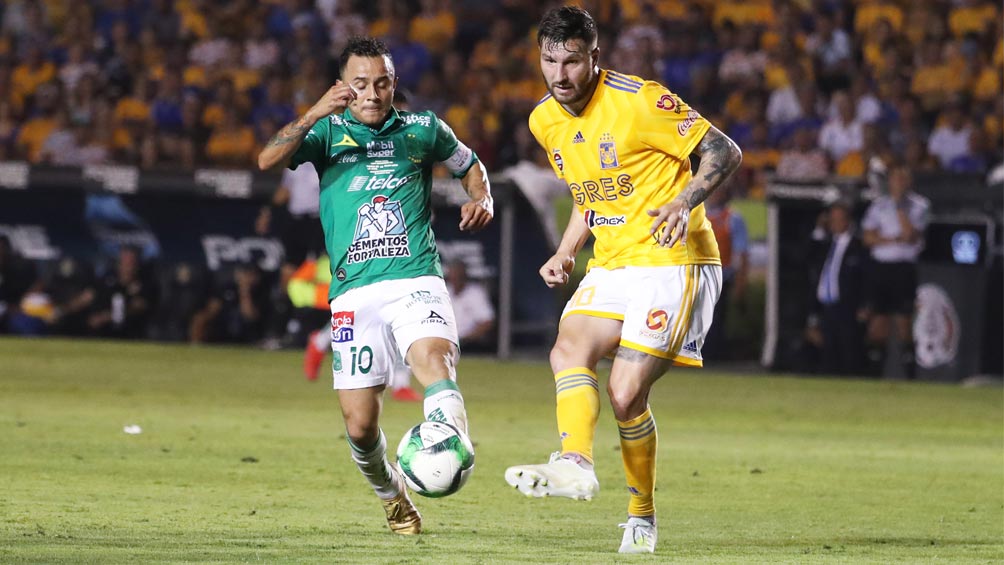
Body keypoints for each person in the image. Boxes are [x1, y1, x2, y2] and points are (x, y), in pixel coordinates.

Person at [503, 7, 741, 554]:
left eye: (572, 61)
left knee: (625, 393)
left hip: (674, 260)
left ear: (595, 57)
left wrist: (684, 200)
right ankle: (575, 464)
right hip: (612, 262)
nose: (560, 75)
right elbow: (590, 193)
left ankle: (641, 517)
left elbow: (724, 151)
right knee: (567, 350)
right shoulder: (546, 120)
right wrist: (565, 251)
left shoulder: (639, 101)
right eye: (549, 61)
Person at [256, 36, 492, 535]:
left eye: (381, 83)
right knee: (361, 427)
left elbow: (470, 166)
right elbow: (267, 160)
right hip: (354, 294)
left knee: (433, 360)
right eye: (360, 84)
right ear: (344, 87)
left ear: (393, 85)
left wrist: (482, 196)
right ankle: (393, 495)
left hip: (416, 278)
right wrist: (315, 111)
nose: (372, 93)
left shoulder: (423, 129)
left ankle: (449, 440)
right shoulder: (325, 133)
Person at [293, 253, 422, 402]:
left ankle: (401, 385)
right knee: (354, 318)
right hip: (364, 266)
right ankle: (320, 341)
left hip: (389, 268)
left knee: (397, 327)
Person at [860, 163, 930, 378]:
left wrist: (900, 206)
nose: (898, 182)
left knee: (903, 322)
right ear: (889, 181)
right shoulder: (878, 205)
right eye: (895, 178)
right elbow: (867, 238)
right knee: (878, 322)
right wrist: (892, 239)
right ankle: (874, 375)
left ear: (909, 182)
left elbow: (910, 235)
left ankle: (909, 374)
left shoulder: (919, 205)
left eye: (903, 178)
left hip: (903, 269)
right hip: (881, 269)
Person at [807, 201, 867, 375]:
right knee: (827, 355)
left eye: (838, 219)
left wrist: (865, 304)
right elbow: (807, 258)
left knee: (849, 353)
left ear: (848, 221)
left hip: (848, 306)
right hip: (825, 307)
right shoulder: (824, 244)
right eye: (832, 220)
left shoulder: (858, 246)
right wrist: (818, 230)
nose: (834, 224)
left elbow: (865, 277)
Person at [702, 184, 749, 359]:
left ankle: (712, 357)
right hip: (696, 276)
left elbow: (742, 251)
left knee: (715, 320)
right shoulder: (698, 214)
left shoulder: (732, 218)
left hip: (720, 277)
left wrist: (740, 282)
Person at [444, 259, 495, 349]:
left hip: (469, 343)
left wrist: (467, 338)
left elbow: (487, 322)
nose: (455, 280)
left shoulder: (475, 292)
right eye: (452, 276)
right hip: (445, 340)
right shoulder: (444, 291)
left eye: (458, 276)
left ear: (464, 276)